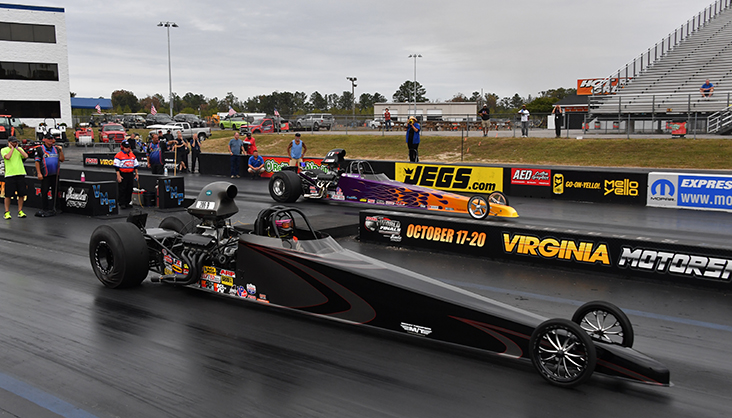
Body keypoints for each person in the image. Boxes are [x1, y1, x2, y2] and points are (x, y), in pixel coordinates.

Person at [34, 133, 65, 217]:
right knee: (45, 191)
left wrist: (61, 151)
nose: (51, 140)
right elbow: (37, 162)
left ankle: (56, 207)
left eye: (52, 139)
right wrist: (39, 173)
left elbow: (62, 159)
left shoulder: (56, 149)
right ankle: (45, 208)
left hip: (55, 174)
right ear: (44, 140)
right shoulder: (40, 149)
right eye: (49, 139)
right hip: (45, 174)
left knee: (56, 191)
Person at [2, 136, 28, 219]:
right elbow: (7, 157)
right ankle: (7, 212)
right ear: (9, 142)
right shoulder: (4, 150)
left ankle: (20, 211)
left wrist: (18, 149)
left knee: (21, 194)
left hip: (20, 173)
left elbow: (26, 156)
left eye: (16, 142)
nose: (14, 143)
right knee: (8, 195)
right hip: (10, 175)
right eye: (13, 142)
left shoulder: (19, 149)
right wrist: (12, 149)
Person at [114, 140, 139, 209]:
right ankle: (122, 203)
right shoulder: (119, 155)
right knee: (122, 189)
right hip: (123, 173)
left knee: (129, 188)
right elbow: (116, 167)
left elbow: (135, 166)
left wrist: (136, 174)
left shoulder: (132, 155)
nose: (127, 148)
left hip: (130, 173)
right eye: (126, 147)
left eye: (128, 147)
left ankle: (128, 202)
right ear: (123, 147)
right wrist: (118, 176)